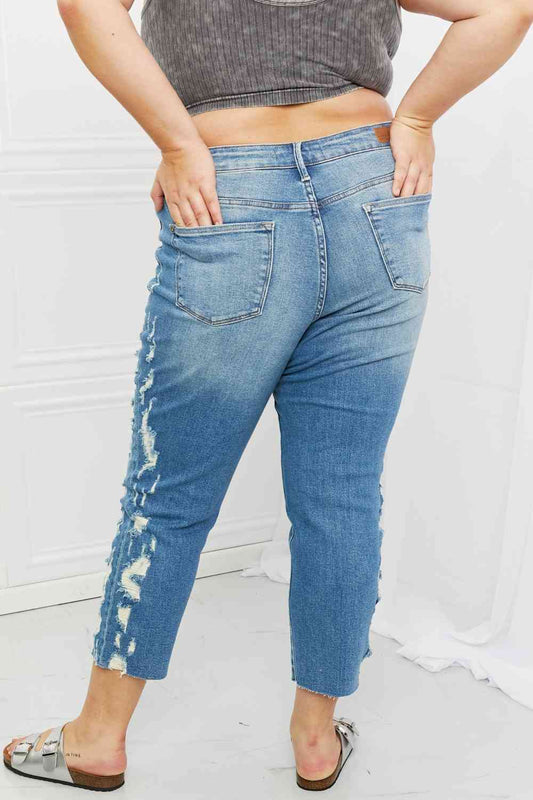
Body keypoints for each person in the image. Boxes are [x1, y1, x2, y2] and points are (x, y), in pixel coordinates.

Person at [4, 0, 532, 792]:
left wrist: (179, 143)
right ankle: (315, 741)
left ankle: (97, 740)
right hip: (373, 189)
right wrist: (416, 118)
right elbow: (502, 9)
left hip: (232, 191)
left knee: (169, 497)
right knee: (341, 496)